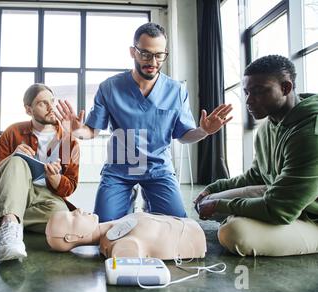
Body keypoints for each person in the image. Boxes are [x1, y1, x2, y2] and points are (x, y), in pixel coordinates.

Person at [55, 22, 232, 222]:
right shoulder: (109, 88)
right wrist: (77, 130)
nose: (153, 61)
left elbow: (183, 136)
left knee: (176, 225)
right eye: (145, 54)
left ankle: (151, 203)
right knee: (104, 226)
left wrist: (204, 130)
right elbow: (92, 130)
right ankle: (126, 201)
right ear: (133, 52)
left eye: (159, 55)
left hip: (158, 169)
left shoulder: (176, 90)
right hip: (120, 169)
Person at [195, 55, 318, 257]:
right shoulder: (268, 127)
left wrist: (221, 206)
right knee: (209, 201)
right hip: (287, 202)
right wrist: (213, 189)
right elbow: (257, 175)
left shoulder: (311, 133)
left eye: (259, 91)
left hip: (310, 218)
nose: (249, 100)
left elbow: (280, 209)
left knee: (233, 233)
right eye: (247, 92)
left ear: (285, 88)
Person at [0, 83, 80, 262]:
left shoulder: (67, 141)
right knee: (16, 161)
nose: (50, 107)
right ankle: (9, 232)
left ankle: (1, 216)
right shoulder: (13, 131)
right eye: (42, 103)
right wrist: (13, 157)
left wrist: (55, 178)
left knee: (61, 218)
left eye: (52, 101)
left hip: (46, 197)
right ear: (28, 109)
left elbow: (69, 187)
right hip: (15, 189)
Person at [45, 209, 207, 260]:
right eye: (72, 216)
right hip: (195, 240)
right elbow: (131, 256)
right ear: (71, 238)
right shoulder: (118, 246)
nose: (78, 210)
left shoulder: (114, 227)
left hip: (190, 225)